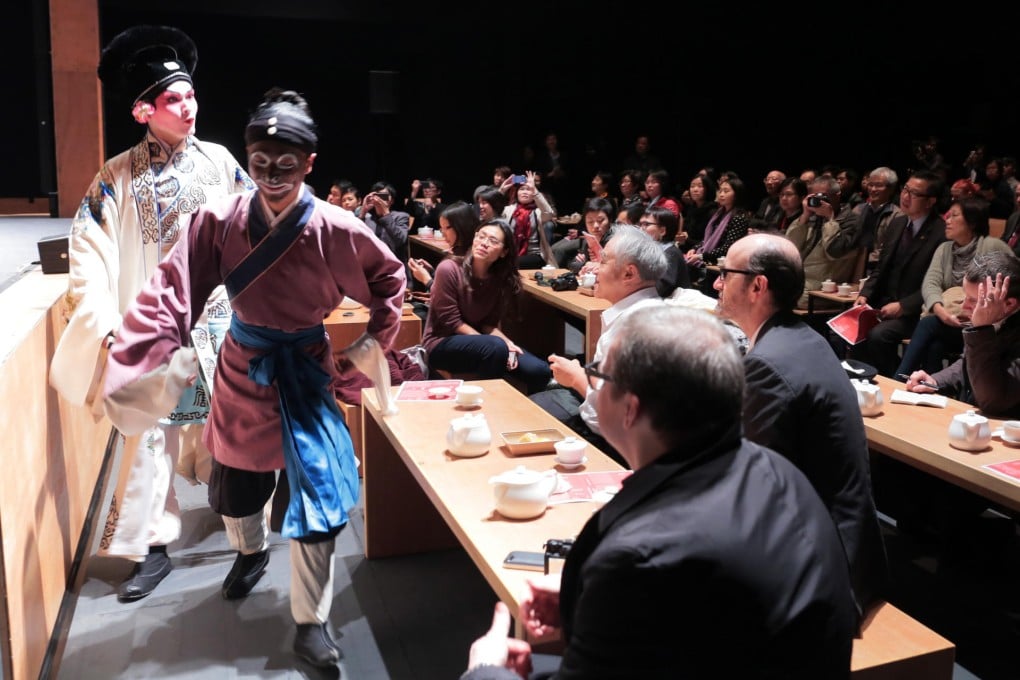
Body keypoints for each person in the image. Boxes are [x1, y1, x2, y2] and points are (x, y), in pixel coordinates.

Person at [102, 88, 406, 668]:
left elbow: (389, 283)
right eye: (260, 162)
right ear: (248, 157)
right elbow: (174, 286)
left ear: (310, 164)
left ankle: (311, 621)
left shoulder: (337, 228)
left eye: (286, 165)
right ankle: (250, 552)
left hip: (306, 370)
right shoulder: (217, 221)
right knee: (236, 489)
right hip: (244, 366)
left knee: (320, 498)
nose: (271, 175)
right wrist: (157, 352)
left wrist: (368, 347)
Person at [464, 305, 857, 679]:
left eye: (598, 373)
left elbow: (662, 575)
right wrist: (580, 589)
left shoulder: (638, 560)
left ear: (630, 409)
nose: (593, 382)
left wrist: (485, 671)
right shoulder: (780, 472)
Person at [48, 25, 254, 603]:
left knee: (232, 432)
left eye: (191, 95)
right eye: (173, 99)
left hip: (218, 324)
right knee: (149, 437)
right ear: (143, 111)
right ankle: (153, 547)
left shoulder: (219, 163)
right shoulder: (113, 179)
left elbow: (252, 231)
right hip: (152, 325)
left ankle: (247, 541)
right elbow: (87, 251)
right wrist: (105, 322)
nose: (189, 107)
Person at [714, 233, 889, 620]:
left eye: (725, 274)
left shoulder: (769, 364)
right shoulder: (802, 337)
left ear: (758, 285)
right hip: (842, 547)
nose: (716, 282)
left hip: (818, 571)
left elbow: (752, 487)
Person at [531, 227, 666, 466]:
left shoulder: (633, 328)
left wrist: (576, 377)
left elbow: (613, 417)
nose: (592, 267)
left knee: (527, 418)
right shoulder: (650, 311)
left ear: (629, 274)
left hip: (623, 451)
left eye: (603, 261)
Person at [421, 219, 551, 394]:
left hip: (486, 345)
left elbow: (488, 324)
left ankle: (530, 414)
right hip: (441, 344)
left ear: (504, 252)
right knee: (495, 349)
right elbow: (451, 321)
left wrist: (508, 344)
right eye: (481, 236)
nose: (484, 243)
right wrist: (495, 344)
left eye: (493, 241)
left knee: (540, 370)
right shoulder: (449, 268)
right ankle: (488, 402)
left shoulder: (498, 280)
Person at [896, 197, 1013, 376]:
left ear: (972, 222)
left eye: (954, 216)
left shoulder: (993, 246)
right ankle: (931, 389)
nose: (947, 220)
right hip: (950, 322)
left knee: (928, 324)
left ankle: (899, 378)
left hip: (985, 327)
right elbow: (930, 283)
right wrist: (941, 311)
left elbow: (1014, 282)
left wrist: (980, 310)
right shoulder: (945, 248)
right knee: (935, 347)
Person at [853, 170, 947, 377]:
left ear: (930, 201)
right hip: (884, 303)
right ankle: (866, 381)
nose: (906, 196)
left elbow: (937, 284)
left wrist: (904, 306)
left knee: (879, 336)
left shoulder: (941, 232)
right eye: (905, 189)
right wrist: (865, 294)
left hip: (916, 311)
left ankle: (896, 380)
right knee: (851, 331)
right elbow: (881, 267)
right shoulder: (897, 223)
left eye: (914, 193)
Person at [904, 251, 1020, 417]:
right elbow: (967, 364)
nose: (964, 307)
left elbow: (991, 401)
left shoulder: (987, 325)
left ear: (1009, 303)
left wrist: (981, 330)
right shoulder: (997, 317)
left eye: (974, 300)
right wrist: (936, 381)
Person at [784, 175, 863, 309]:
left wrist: (829, 219)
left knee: (779, 299)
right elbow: (790, 247)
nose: (818, 201)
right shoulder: (813, 217)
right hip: (800, 279)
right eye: (814, 196)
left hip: (823, 287)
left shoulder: (852, 221)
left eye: (822, 196)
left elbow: (835, 252)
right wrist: (804, 217)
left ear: (837, 195)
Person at [499, 170, 556, 269]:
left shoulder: (538, 212)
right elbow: (492, 213)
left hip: (534, 254)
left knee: (511, 262)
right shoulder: (508, 210)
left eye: (528, 189)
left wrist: (535, 190)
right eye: (522, 189)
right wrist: (502, 190)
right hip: (511, 252)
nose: (525, 192)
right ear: (517, 193)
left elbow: (549, 213)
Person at [853, 167, 902, 276]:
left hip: (878, 269)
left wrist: (865, 259)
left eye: (879, 185)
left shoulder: (897, 215)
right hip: (852, 264)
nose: (873, 189)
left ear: (891, 189)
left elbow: (889, 248)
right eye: (870, 185)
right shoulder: (858, 210)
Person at [638, 205, 690, 296]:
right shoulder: (646, 251)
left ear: (662, 231)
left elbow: (662, 287)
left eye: (646, 224)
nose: (640, 229)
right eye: (640, 224)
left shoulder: (671, 253)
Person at [358, 180, 411, 262]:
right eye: (377, 196)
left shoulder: (401, 216)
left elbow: (401, 240)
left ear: (392, 200)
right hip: (372, 263)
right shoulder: (368, 219)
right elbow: (356, 239)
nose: (380, 199)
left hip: (394, 263)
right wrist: (363, 211)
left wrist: (386, 213)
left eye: (384, 196)